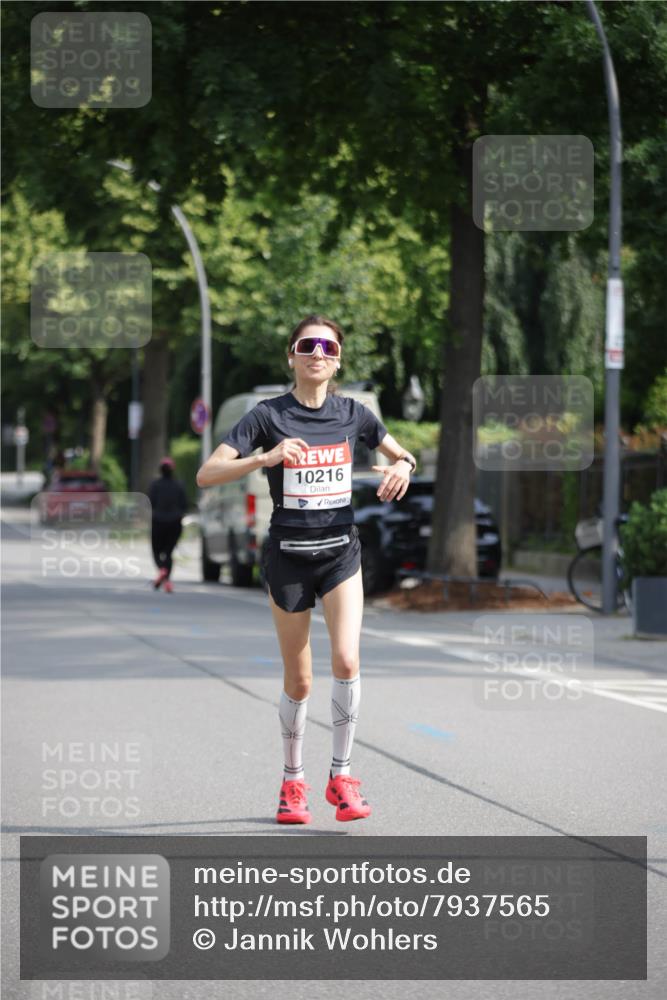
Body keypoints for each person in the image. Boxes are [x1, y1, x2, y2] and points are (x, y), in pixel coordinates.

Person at [196, 314, 417, 824]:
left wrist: (402, 465)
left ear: (337, 358)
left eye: (327, 346)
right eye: (306, 345)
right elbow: (208, 473)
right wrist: (265, 458)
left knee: (346, 658)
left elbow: (402, 453)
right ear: (291, 356)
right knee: (300, 680)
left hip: (341, 555)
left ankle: (341, 776)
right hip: (288, 559)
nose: (317, 353)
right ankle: (293, 782)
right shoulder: (265, 416)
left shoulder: (354, 414)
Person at [148, 457, 188, 594]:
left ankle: (162, 571)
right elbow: (184, 505)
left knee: (156, 551)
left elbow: (150, 503)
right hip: (175, 523)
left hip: (158, 522)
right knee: (169, 553)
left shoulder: (155, 485)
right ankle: (167, 580)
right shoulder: (179, 485)